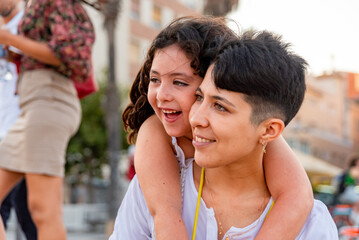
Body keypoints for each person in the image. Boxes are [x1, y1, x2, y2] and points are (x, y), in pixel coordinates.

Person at [111, 29, 338, 239]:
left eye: (220, 107)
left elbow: (297, 192)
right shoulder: (153, 184)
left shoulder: (310, 225)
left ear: (270, 130)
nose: (196, 118)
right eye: (199, 98)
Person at [0, 0, 95, 239]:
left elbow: (75, 55)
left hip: (49, 101)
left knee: (43, 211)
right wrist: (15, 54)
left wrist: (9, 39)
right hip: (32, 105)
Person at [0, 1, 37, 239]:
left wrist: (9, 42)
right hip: (2, 132)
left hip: (23, 131)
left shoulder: (30, 24)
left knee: (32, 215)